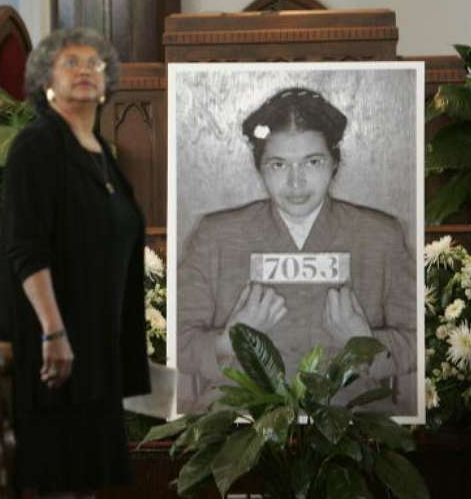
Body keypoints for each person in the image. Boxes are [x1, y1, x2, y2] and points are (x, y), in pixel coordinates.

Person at [177, 87, 417, 415]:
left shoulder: (380, 236)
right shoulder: (216, 235)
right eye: (278, 165)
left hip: (351, 416)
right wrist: (228, 342)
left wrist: (363, 343)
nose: (295, 183)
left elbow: (418, 341)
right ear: (259, 167)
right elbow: (179, 341)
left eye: (312, 162)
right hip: (239, 416)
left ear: (335, 162)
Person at [0, 27, 151, 498]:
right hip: (54, 347)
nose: (85, 70)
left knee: (83, 482)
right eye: (71, 63)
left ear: (107, 84)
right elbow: (25, 246)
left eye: (94, 64)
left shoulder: (101, 155)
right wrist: (53, 330)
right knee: (55, 481)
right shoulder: (37, 145)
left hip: (94, 348)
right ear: (46, 80)